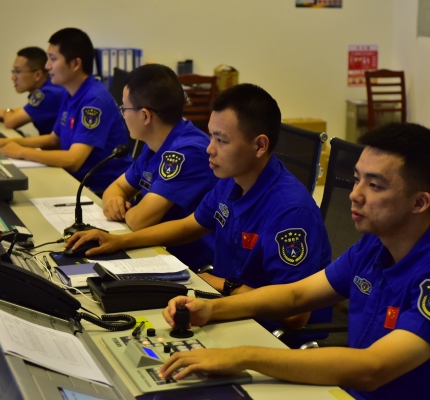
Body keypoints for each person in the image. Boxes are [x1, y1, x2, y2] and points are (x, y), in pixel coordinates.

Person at [158, 123, 430, 399]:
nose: (355, 194)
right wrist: (211, 309)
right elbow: (296, 295)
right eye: (356, 179)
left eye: (375, 185)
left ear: (419, 203)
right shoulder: (376, 244)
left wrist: (244, 356)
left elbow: (374, 367)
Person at [67, 83, 332, 339]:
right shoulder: (232, 180)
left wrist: (226, 286)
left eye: (221, 140)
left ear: (260, 146)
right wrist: (118, 241)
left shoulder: (290, 211)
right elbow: (190, 225)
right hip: (227, 307)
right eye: (211, 136)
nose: (209, 149)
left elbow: (296, 314)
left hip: (269, 332)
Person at [0, 28, 132, 192]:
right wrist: (8, 142)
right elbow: (54, 139)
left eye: (53, 59)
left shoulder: (94, 101)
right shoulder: (70, 93)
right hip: (75, 181)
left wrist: (22, 151)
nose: (47, 66)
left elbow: (73, 160)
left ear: (75, 64)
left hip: (99, 190)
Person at [103, 63, 217, 270]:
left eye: (124, 108)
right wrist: (115, 201)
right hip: (158, 251)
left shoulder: (186, 152)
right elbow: (116, 188)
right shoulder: (156, 142)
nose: (123, 115)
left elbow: (140, 221)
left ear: (145, 116)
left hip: (191, 264)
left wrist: (124, 210)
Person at [0, 47, 65, 135]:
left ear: (37, 75)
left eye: (17, 71)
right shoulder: (49, 87)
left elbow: (11, 122)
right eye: (13, 71)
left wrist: (6, 111)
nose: (13, 77)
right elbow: (25, 110)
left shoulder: (48, 94)